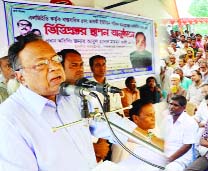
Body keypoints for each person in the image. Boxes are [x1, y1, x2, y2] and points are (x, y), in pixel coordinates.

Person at [0, 33, 136, 170]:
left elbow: (110, 124)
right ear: (21, 77)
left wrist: (151, 141)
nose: (54, 67)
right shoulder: (8, 120)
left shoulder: (72, 96)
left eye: (55, 59)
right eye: (41, 64)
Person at [59, 48, 111, 162]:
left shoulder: (87, 90)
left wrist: (101, 143)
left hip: (95, 150)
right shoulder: (56, 97)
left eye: (81, 65)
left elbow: (99, 120)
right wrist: (92, 148)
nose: (80, 69)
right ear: (61, 68)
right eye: (74, 65)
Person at [112, 99, 165, 170]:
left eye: (154, 114)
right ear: (136, 118)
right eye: (149, 115)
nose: (153, 118)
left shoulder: (152, 133)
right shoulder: (124, 143)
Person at [163, 95, 198, 171]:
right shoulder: (167, 119)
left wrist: (170, 159)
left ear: (184, 108)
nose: (171, 107)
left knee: (170, 169)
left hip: (181, 158)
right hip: (165, 153)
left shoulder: (190, 122)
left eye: (175, 105)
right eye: (170, 104)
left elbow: (187, 146)